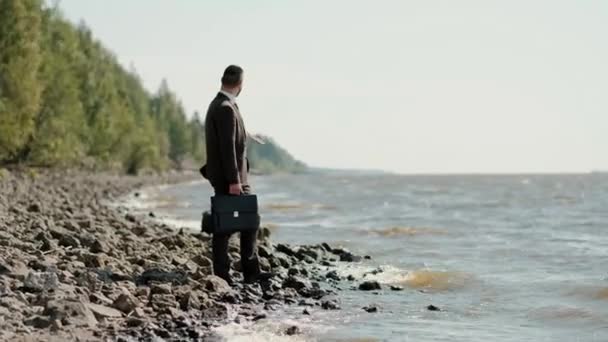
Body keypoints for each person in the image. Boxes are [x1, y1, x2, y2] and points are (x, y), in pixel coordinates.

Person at [203, 65, 264, 285]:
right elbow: (227, 147)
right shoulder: (226, 108)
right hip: (232, 177)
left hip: (226, 176)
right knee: (249, 222)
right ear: (240, 85)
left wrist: (248, 134)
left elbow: (228, 133)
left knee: (224, 224)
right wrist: (234, 181)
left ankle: (222, 273)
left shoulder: (220, 104)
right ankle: (249, 273)